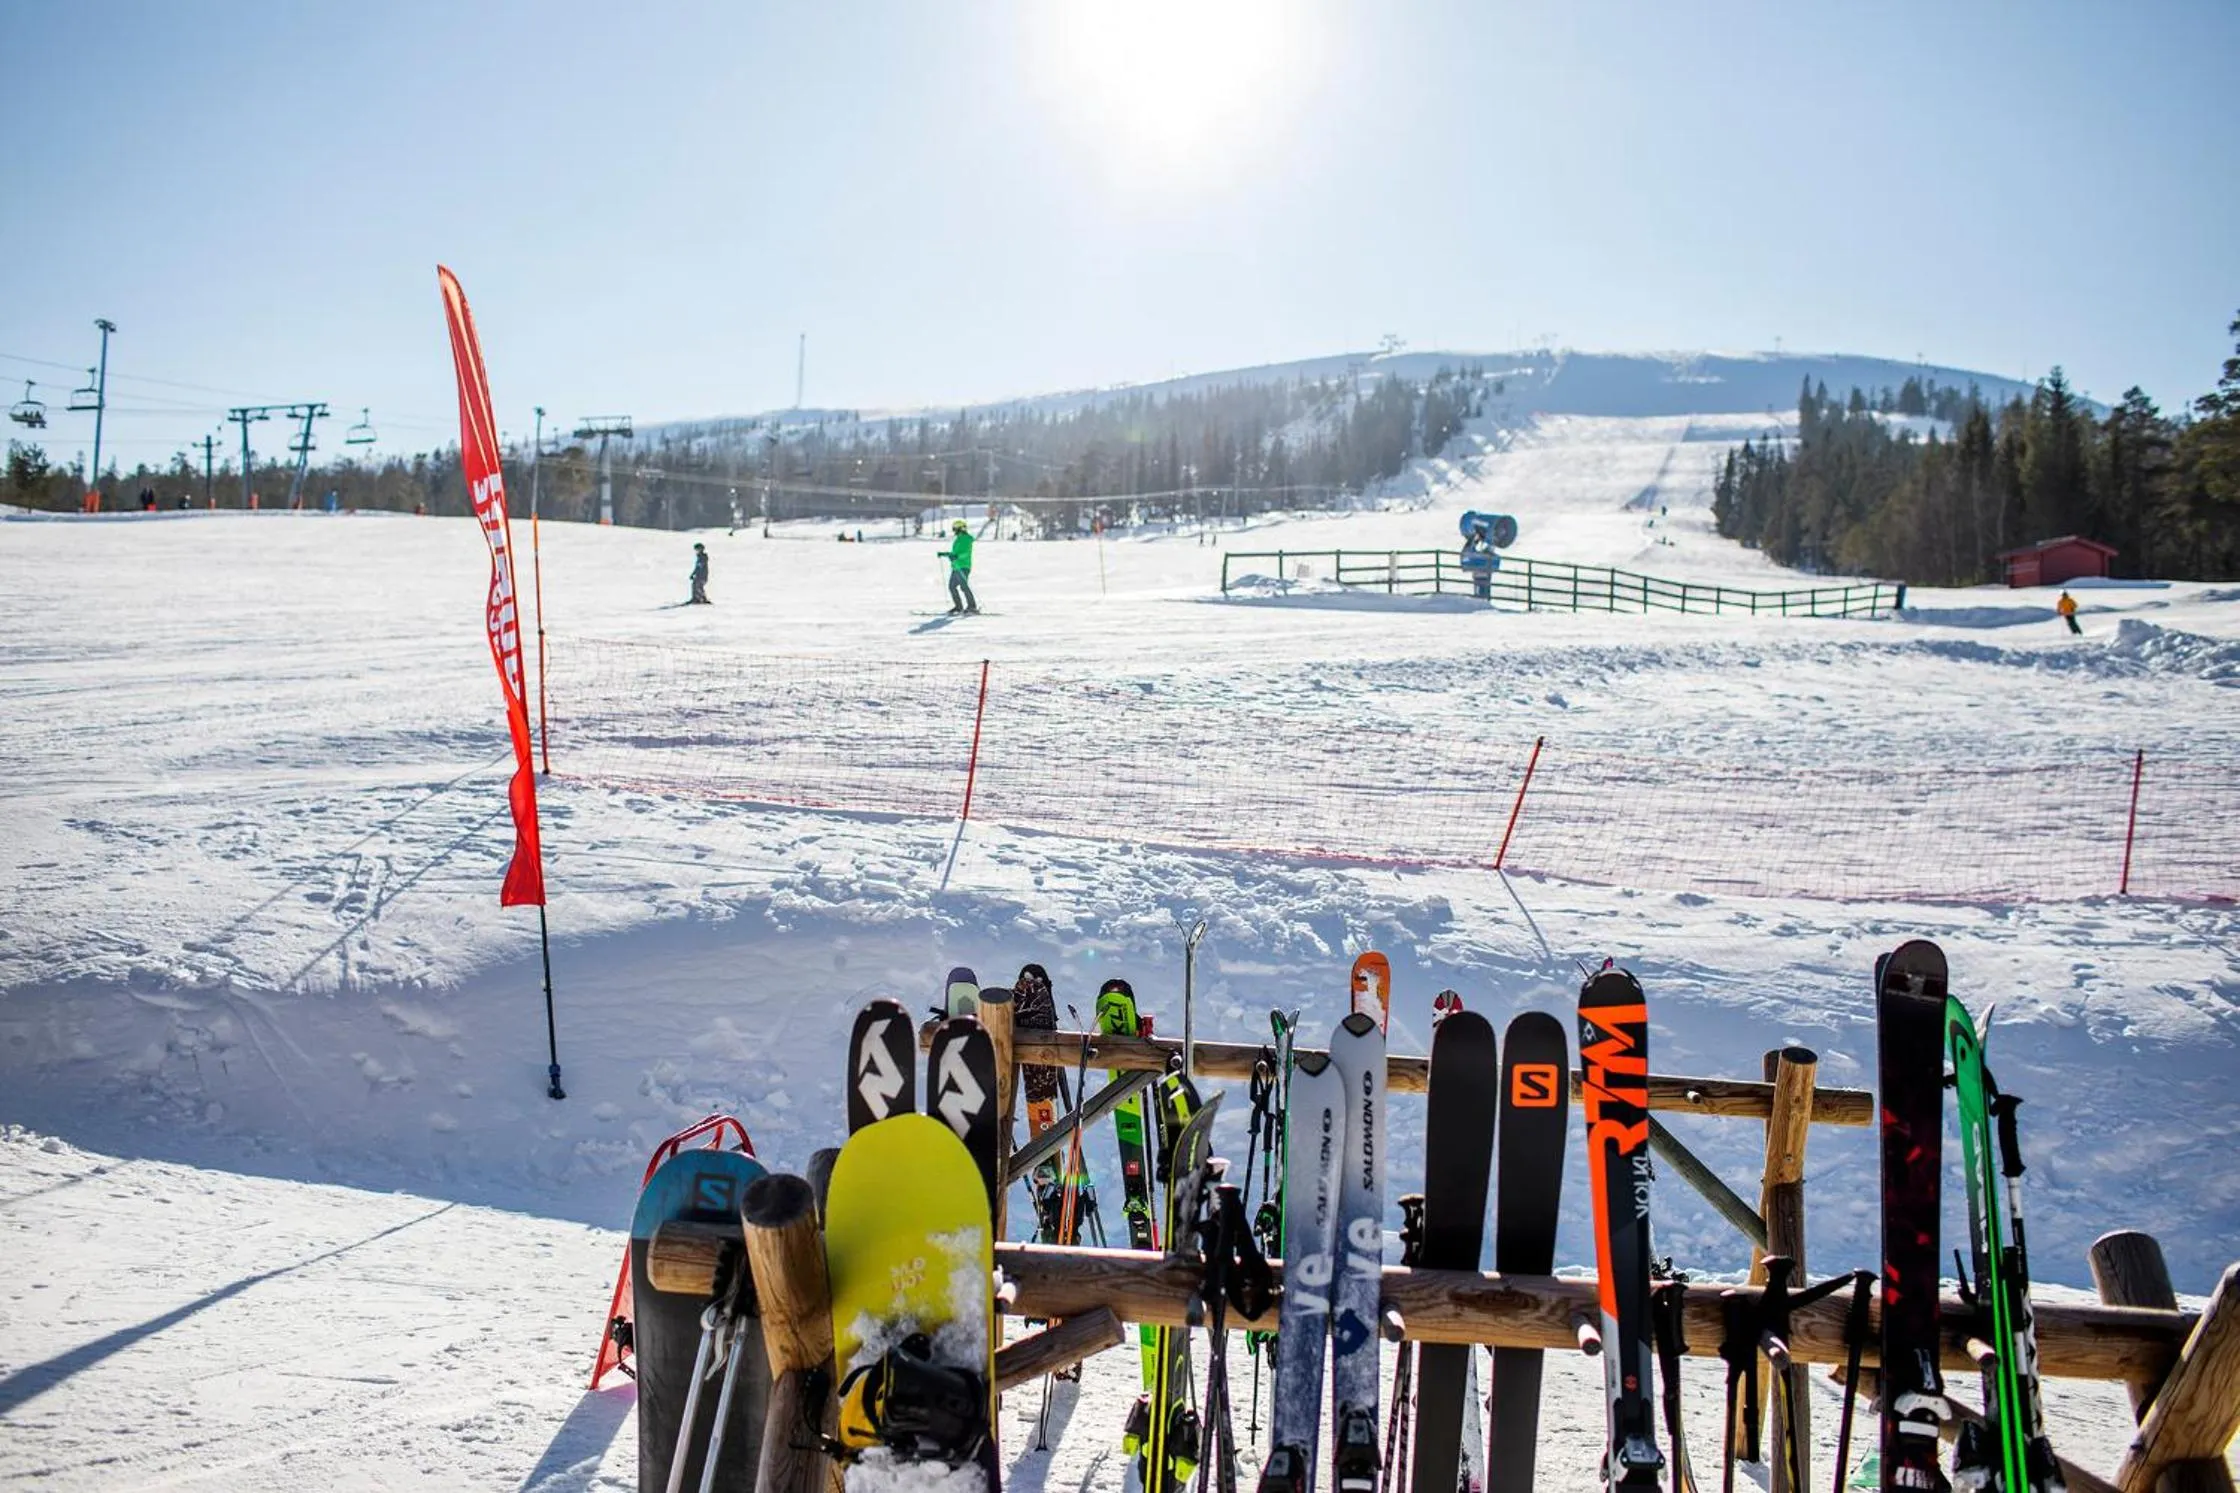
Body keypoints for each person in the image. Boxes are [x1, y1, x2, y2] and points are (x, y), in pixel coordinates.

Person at [939, 518, 978, 614]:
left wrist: (957, 557)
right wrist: (944, 554)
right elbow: (955, 553)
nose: (954, 531)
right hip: (956, 567)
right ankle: (958, 607)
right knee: (952, 587)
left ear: (960, 529)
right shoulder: (958, 539)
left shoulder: (966, 539)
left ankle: (972, 607)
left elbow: (966, 552)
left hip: (963, 566)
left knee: (964, 586)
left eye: (955, 529)